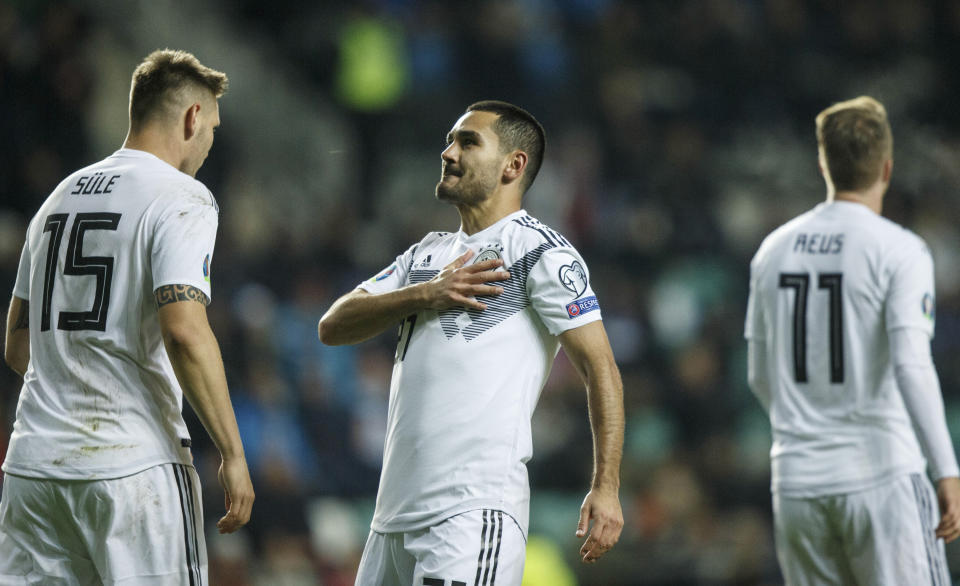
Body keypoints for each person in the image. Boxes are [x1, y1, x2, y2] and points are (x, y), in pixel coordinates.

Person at [319, 100, 624, 585]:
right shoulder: (426, 253)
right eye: (449, 140)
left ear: (513, 165)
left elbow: (601, 367)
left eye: (467, 141)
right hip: (390, 520)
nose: (448, 152)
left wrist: (605, 486)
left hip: (470, 512)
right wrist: (426, 292)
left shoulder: (540, 251)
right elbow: (333, 325)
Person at [0, 49, 253, 584]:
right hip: (133, 468)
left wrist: (73, 382)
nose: (210, 143)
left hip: (34, 467)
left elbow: (17, 345)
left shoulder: (55, 200)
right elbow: (184, 329)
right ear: (192, 118)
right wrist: (232, 452)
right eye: (211, 127)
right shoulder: (182, 197)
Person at [745, 96, 960, 585]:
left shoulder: (773, 250)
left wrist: (808, 436)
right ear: (887, 167)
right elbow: (911, 365)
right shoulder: (901, 249)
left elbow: (758, 374)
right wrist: (947, 470)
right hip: (880, 477)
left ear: (823, 164)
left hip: (797, 484)